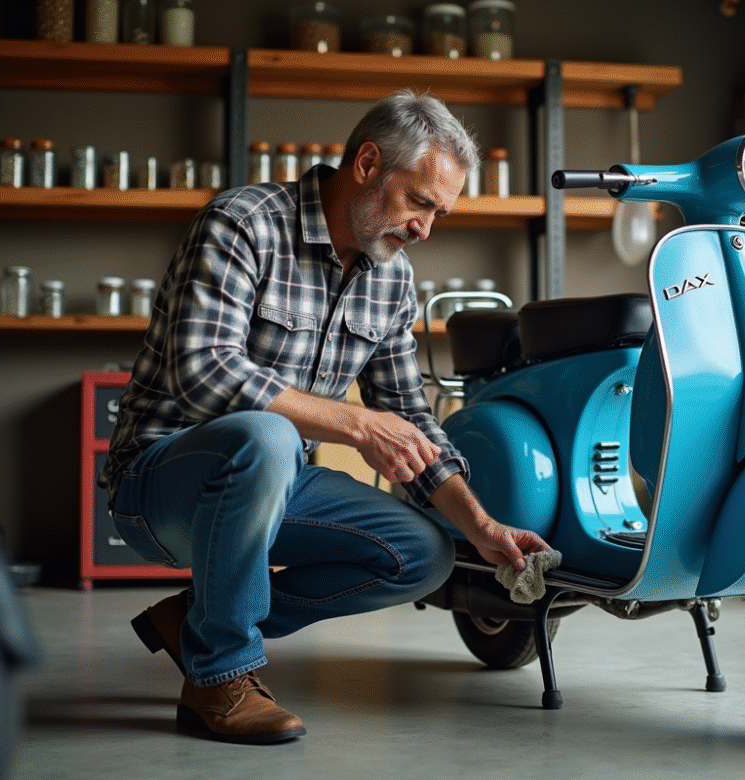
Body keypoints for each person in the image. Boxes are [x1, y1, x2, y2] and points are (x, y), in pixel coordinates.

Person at [100, 89, 550, 745]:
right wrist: (357, 426)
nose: (425, 228)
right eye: (419, 202)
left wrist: (479, 527)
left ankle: (203, 620)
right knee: (267, 435)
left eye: (439, 213)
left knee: (424, 555)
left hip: (274, 486)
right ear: (367, 164)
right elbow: (203, 371)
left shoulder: (392, 279)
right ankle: (220, 674)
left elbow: (408, 416)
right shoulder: (243, 223)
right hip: (159, 485)